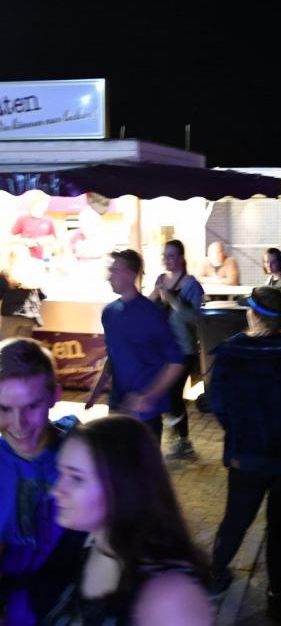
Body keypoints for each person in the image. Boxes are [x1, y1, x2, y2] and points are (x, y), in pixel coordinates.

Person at [208, 287, 281, 620]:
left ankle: (216, 575)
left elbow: (218, 406)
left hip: (246, 456)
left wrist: (240, 432)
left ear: (251, 314)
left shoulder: (230, 354)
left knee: (236, 518)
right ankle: (275, 591)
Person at [45, 415, 214, 625]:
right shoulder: (90, 544)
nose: (56, 491)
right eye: (60, 473)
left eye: (76, 478)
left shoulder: (170, 599)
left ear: (122, 487)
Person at [0, 338, 85, 625]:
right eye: (4, 409)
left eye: (32, 406)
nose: (19, 424)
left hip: (71, 606)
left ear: (54, 395)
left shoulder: (85, 457)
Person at [86, 250, 184, 443]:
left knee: (143, 461)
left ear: (131, 275)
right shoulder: (109, 312)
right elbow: (113, 356)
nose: (109, 276)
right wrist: (95, 391)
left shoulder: (152, 314)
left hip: (145, 414)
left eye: (115, 270)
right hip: (118, 405)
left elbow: (176, 362)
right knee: (117, 459)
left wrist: (149, 396)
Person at [148, 240, 204, 458]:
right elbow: (151, 309)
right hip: (161, 348)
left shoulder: (192, 286)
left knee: (174, 394)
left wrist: (172, 299)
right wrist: (151, 299)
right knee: (165, 393)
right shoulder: (160, 280)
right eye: (164, 255)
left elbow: (194, 319)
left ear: (181, 257)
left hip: (183, 348)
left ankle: (183, 440)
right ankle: (174, 435)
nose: (166, 259)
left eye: (171, 255)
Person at [0, 247, 47, 340]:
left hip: (10, 315)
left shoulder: (6, 274)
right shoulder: (33, 273)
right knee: (22, 344)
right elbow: (42, 295)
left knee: (7, 343)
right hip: (29, 316)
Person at [9, 190, 57, 260]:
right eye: (40, 203)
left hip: (43, 259)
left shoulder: (49, 220)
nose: (44, 206)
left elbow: (54, 238)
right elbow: (9, 238)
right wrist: (25, 241)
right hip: (25, 258)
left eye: (45, 203)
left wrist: (46, 240)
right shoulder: (23, 218)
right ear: (33, 204)